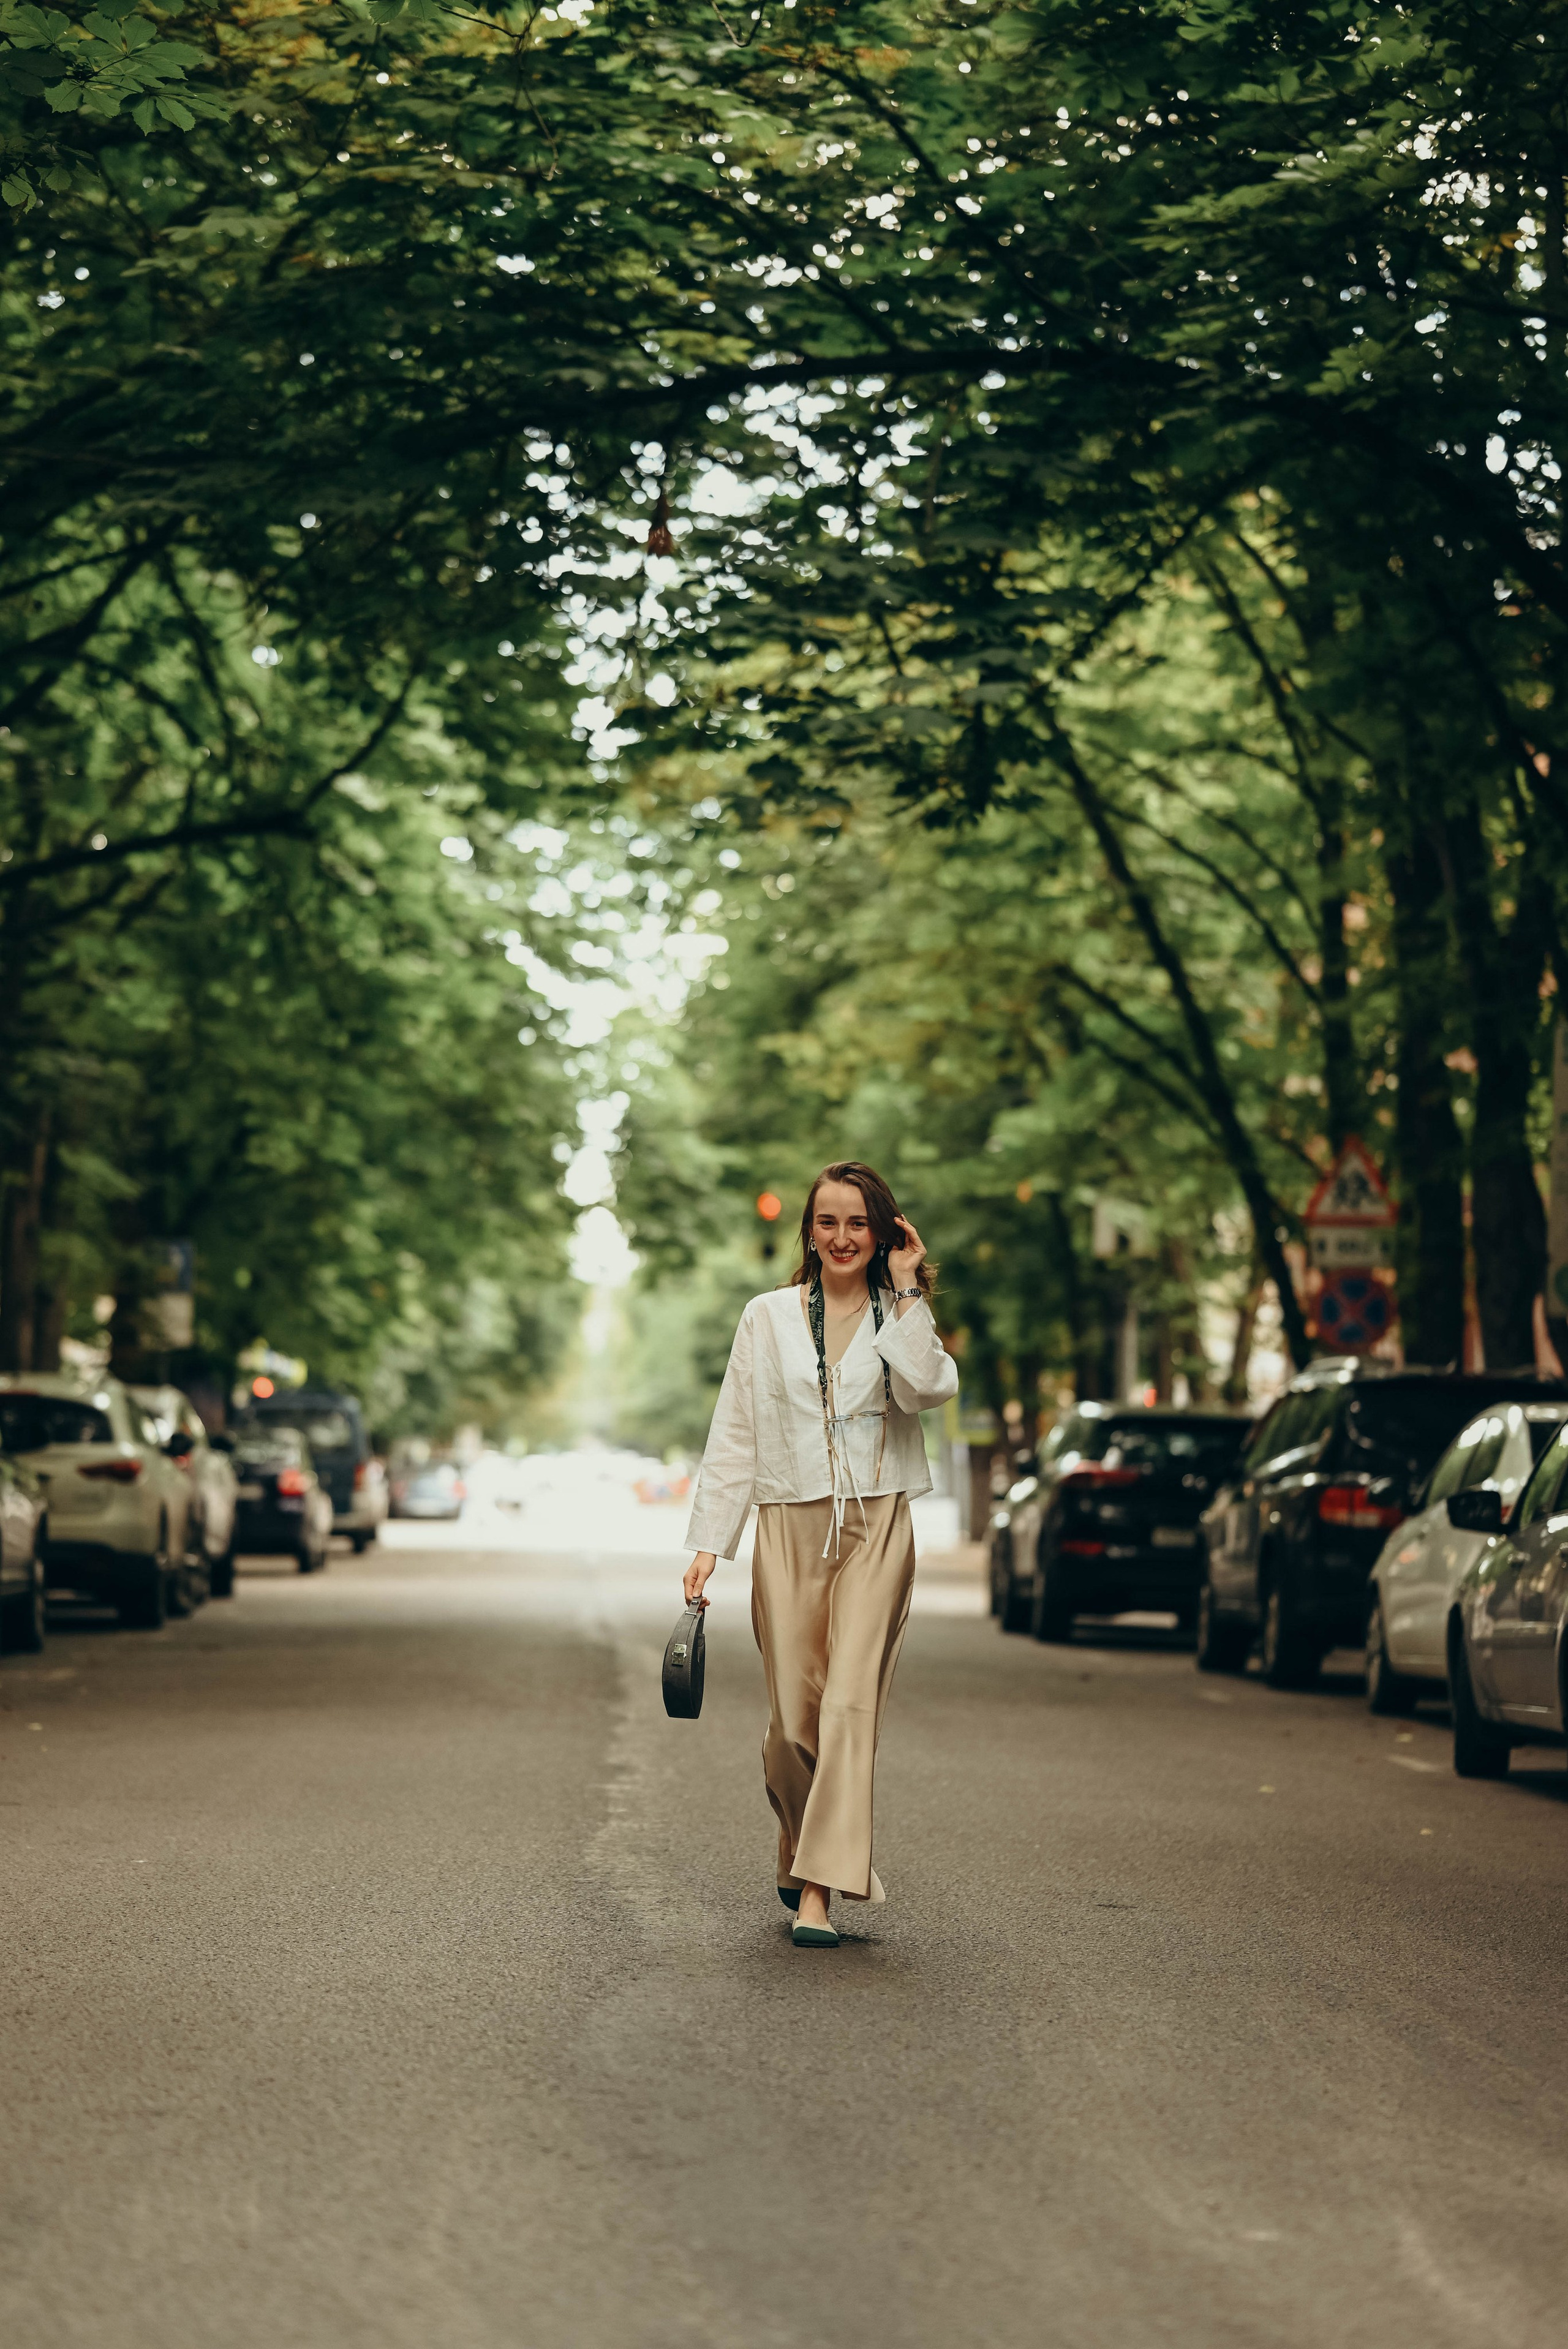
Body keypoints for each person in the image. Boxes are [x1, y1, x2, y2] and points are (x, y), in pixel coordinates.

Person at [682, 1161, 959, 1948]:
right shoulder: (767, 1316)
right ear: (809, 1230)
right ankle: (799, 1840)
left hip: (876, 1523)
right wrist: (710, 1542)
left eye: (858, 1223)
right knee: (791, 1725)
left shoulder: (899, 1313)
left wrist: (908, 1289)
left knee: (847, 1707)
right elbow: (734, 1431)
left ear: (884, 1233)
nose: (842, 1237)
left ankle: (818, 1890)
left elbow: (928, 1390)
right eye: (828, 1222)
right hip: (787, 1522)